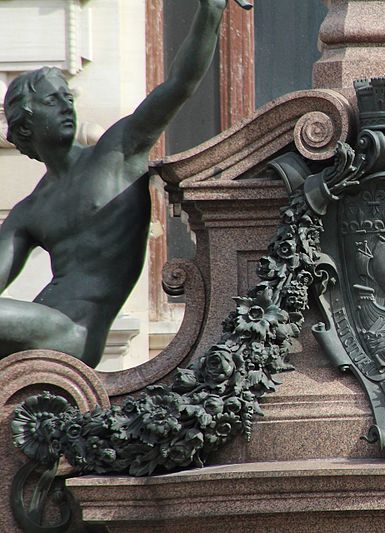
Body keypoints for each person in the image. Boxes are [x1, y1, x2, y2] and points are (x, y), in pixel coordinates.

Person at [0, 0, 230, 368]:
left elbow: (180, 84)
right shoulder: (29, 212)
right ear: (25, 125)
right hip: (40, 323)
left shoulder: (117, 152)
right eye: (51, 100)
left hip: (74, 333)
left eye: (67, 97)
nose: (66, 107)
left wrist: (212, 10)